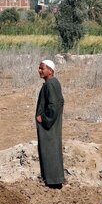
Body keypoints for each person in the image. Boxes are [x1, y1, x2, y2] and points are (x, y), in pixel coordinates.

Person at [35, 59, 65, 189]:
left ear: (50, 71)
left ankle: (53, 181)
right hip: (53, 123)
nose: (39, 70)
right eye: (40, 68)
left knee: (49, 149)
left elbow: (54, 105)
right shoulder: (54, 83)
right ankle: (54, 179)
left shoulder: (50, 85)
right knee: (52, 149)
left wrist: (44, 119)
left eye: (42, 68)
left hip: (49, 125)